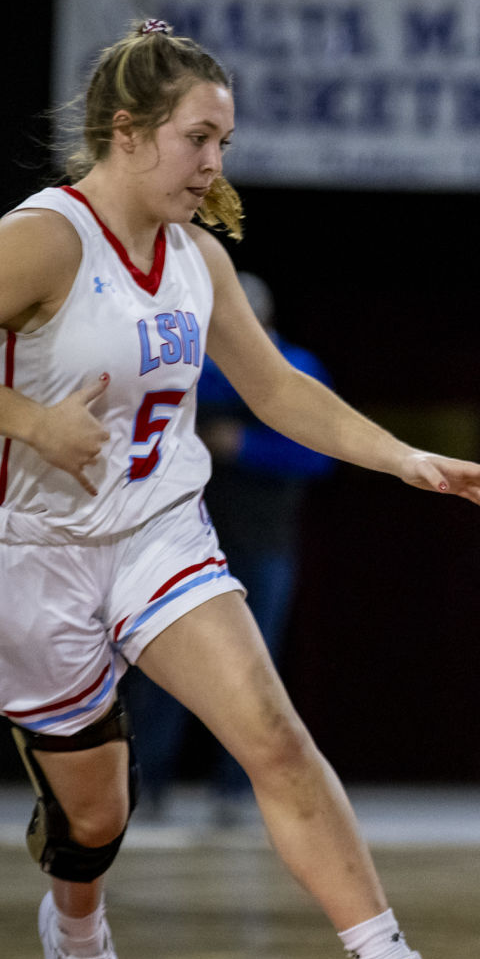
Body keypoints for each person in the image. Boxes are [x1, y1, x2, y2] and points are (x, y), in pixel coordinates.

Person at [0, 19, 480, 959]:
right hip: (24, 550)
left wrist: (403, 459)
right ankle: (76, 931)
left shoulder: (196, 256)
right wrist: (28, 421)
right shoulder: (46, 239)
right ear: (128, 132)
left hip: (157, 530)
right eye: (199, 139)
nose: (214, 165)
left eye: (224, 145)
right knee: (97, 818)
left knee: (273, 735)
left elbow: (277, 390)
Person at [127, 271, 335, 825]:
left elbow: (320, 453)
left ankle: (237, 795)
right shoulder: (181, 363)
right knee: (167, 668)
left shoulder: (295, 366)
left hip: (262, 544)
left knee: (251, 672)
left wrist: (243, 445)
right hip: (180, 540)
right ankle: (148, 788)